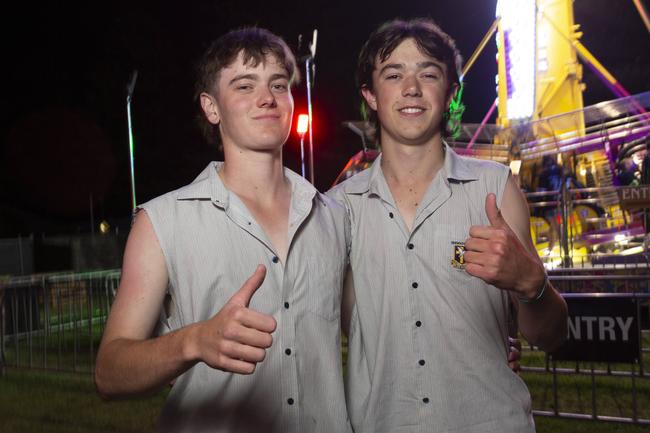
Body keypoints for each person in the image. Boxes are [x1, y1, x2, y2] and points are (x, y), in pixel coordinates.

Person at [95, 27, 352, 433]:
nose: (266, 98)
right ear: (212, 108)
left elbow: (376, 334)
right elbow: (109, 374)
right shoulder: (163, 221)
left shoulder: (334, 216)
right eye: (244, 85)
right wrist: (194, 341)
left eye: (278, 84)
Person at [328, 18, 568, 432]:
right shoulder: (337, 210)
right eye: (393, 74)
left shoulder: (494, 189)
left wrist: (532, 284)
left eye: (429, 73)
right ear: (370, 95)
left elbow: (550, 337)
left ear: (450, 91)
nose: (411, 88)